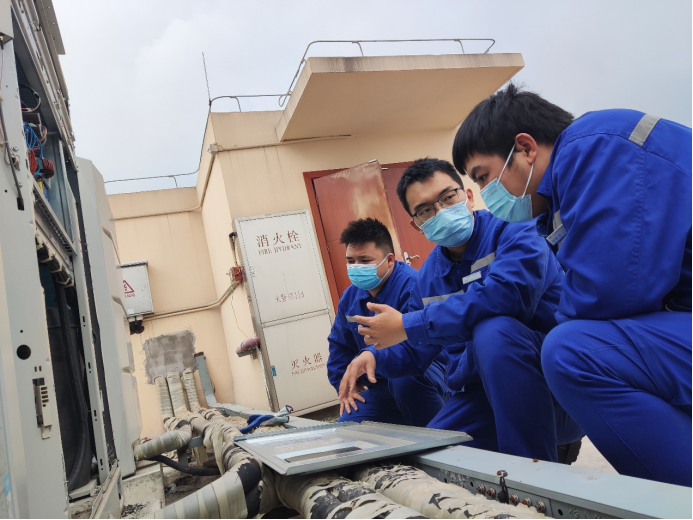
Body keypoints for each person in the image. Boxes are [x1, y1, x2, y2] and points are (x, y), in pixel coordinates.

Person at [449, 84, 691, 487]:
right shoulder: (560, 197)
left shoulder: (592, 150)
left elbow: (607, 292)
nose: (489, 195)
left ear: (525, 148)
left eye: (484, 177)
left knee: (571, 353)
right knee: (526, 341)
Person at [343, 158, 583, 462]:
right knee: (433, 458)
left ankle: (535, 474)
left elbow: (506, 297)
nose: (441, 211)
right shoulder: (430, 276)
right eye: (425, 210)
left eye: (447, 197)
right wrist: (373, 357)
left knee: (493, 331)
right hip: (482, 395)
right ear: (417, 225)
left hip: (555, 384)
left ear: (468, 195)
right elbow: (417, 347)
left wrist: (408, 325)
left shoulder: (514, 230)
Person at [326, 217, 447, 427]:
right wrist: (346, 386)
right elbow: (339, 345)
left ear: (390, 260)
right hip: (382, 386)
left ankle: (442, 435)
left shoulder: (415, 286)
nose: (356, 267)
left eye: (365, 261)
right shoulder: (350, 297)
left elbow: (418, 348)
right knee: (349, 424)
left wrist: (373, 355)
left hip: (425, 374)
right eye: (350, 261)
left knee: (405, 381)